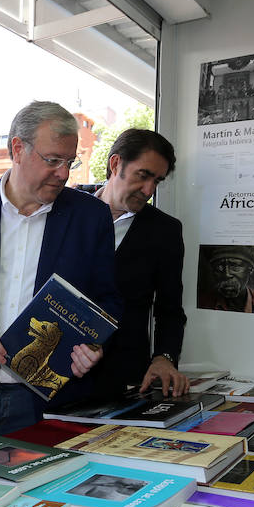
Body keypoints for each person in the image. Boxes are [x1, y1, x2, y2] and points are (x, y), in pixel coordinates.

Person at [0, 101, 121, 439]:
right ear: (18, 149)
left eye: (69, 162)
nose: (63, 173)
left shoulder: (91, 217)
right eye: (52, 160)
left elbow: (109, 299)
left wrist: (93, 343)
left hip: (49, 406)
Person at [77, 129, 188, 398]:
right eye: (143, 175)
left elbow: (170, 310)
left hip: (122, 381)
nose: (149, 190)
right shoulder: (67, 210)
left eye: (157, 181)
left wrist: (164, 357)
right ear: (116, 164)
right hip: (55, 374)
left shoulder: (165, 231)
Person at [197, 245, 254, 313]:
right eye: (219, 266)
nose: (226, 274)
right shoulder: (202, 303)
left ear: (250, 270)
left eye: (235, 266)